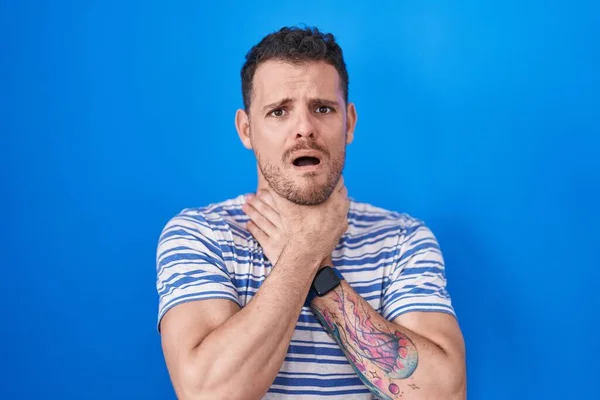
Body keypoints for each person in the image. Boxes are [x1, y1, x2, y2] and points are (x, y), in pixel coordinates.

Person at [155, 26, 466, 400]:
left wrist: (320, 274)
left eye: (322, 108)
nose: (304, 129)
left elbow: (443, 393)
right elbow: (210, 393)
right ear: (246, 129)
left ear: (348, 122)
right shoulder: (200, 235)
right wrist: (305, 250)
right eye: (279, 111)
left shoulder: (402, 239)